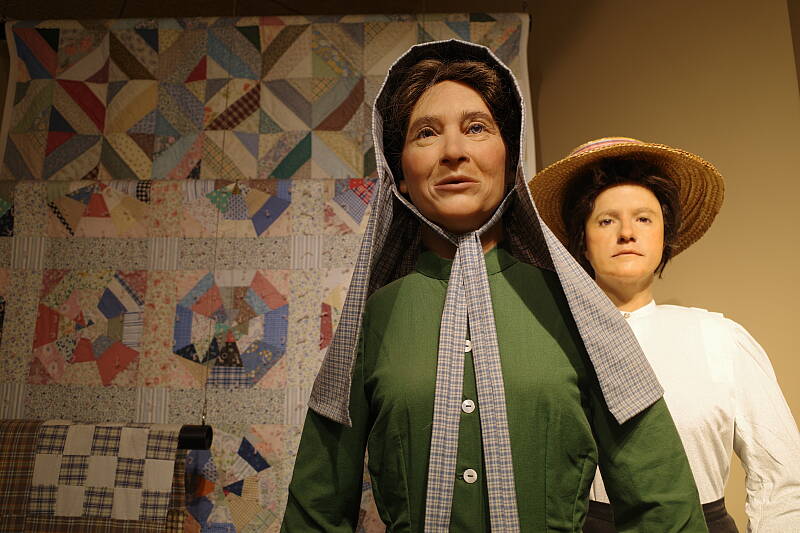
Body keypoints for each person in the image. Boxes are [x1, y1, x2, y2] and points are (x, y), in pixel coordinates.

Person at [281, 42, 708, 532]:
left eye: (476, 128)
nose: (454, 152)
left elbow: (663, 505)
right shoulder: (373, 316)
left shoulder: (577, 307)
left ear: (510, 160)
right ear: (399, 174)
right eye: (426, 133)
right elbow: (315, 511)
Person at [529, 137, 800, 532]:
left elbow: (784, 478)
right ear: (582, 242)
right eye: (606, 220)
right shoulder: (546, 346)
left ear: (664, 236)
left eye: (643, 219)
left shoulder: (720, 340)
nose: (627, 233)